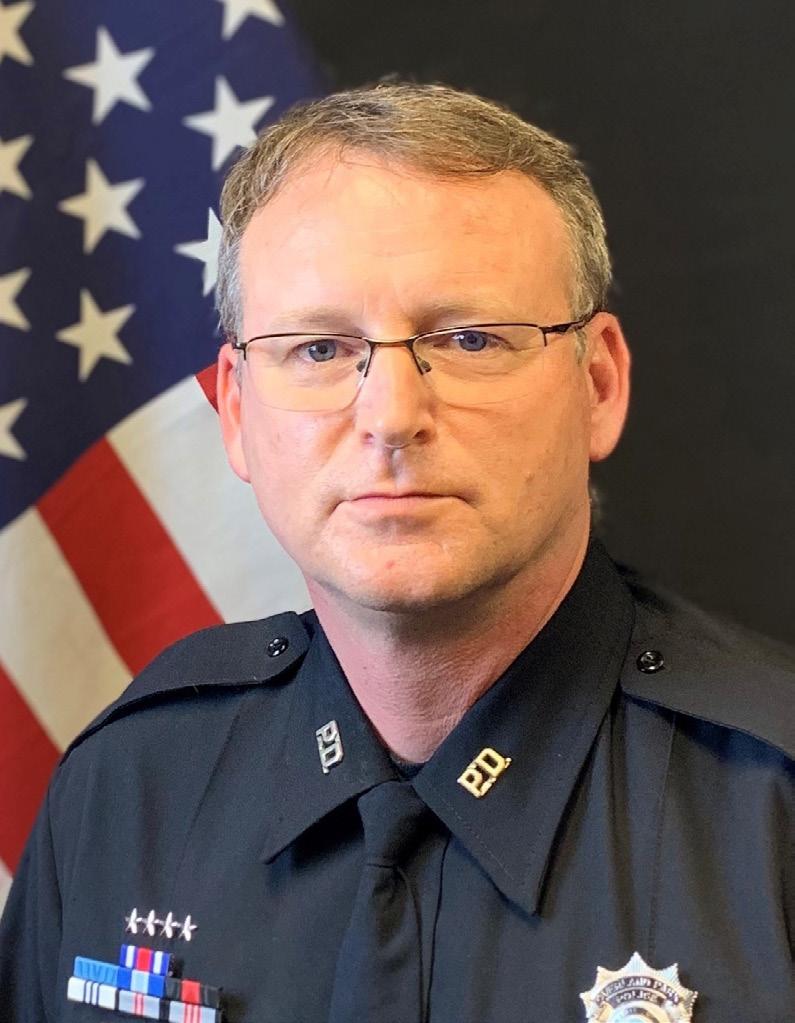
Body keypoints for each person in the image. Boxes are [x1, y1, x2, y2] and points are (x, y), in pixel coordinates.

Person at [1, 82, 792, 1023]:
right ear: (236, 412)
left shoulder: (771, 812)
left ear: (598, 385)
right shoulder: (129, 790)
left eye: (469, 339)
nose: (390, 415)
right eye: (319, 349)